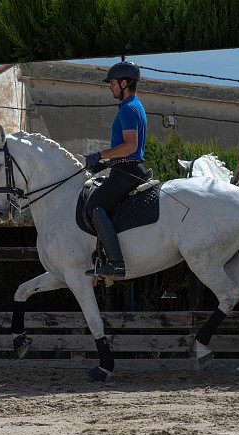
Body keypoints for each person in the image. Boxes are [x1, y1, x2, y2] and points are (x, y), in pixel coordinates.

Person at [82, 61, 148, 279]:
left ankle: (116, 264)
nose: (110, 87)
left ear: (123, 83)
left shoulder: (129, 109)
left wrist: (101, 155)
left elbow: (130, 146)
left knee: (95, 204)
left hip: (127, 171)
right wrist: (106, 163)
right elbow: (130, 151)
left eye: (112, 83)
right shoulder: (132, 106)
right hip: (124, 167)